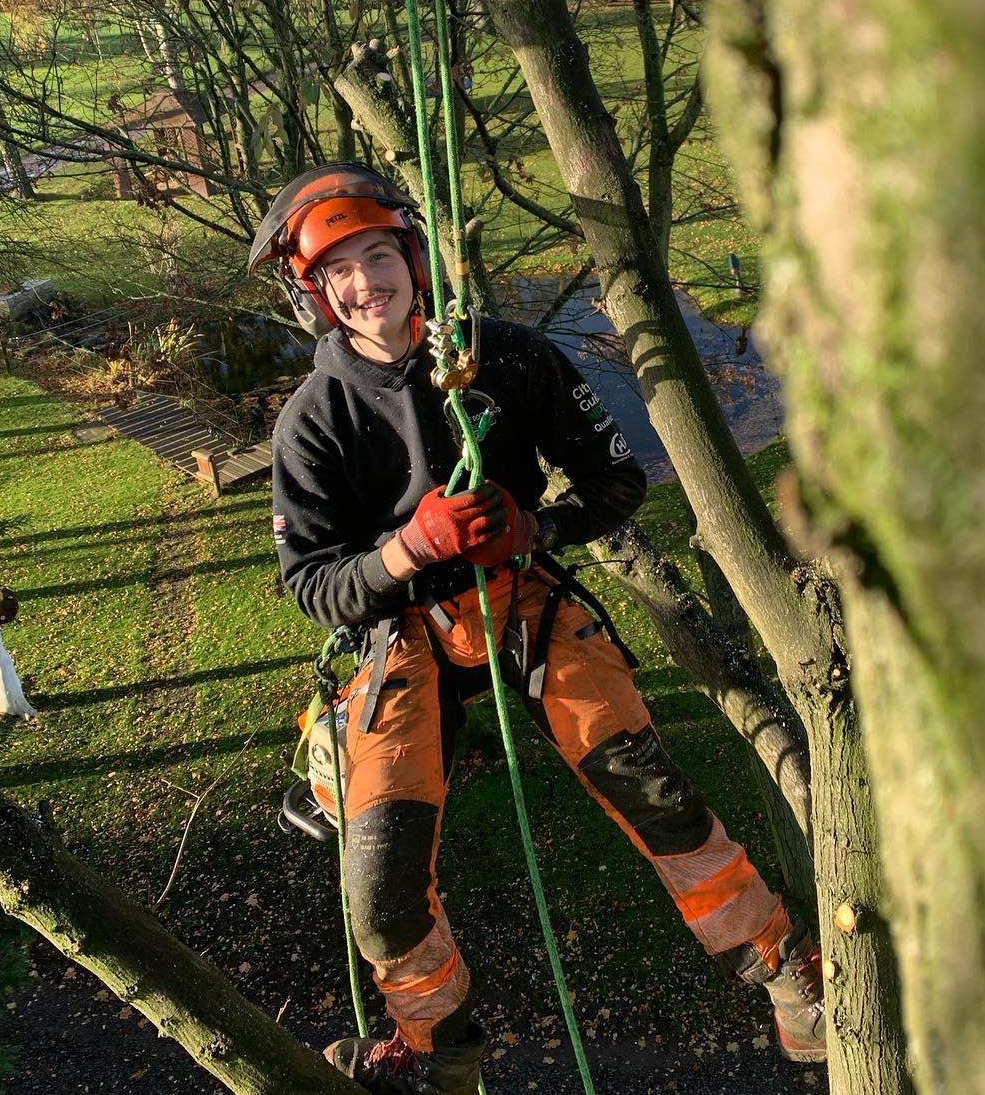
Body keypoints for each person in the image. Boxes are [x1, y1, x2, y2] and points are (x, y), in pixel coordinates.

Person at [250, 164, 825, 1093]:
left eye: (377, 255)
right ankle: (439, 1051)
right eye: (341, 270)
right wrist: (405, 551)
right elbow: (313, 581)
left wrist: (537, 527)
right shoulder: (314, 421)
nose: (366, 283)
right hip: (402, 629)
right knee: (379, 884)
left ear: (410, 255)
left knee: (645, 781)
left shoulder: (508, 358)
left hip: (519, 595)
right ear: (317, 292)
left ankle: (786, 970)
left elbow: (616, 476)